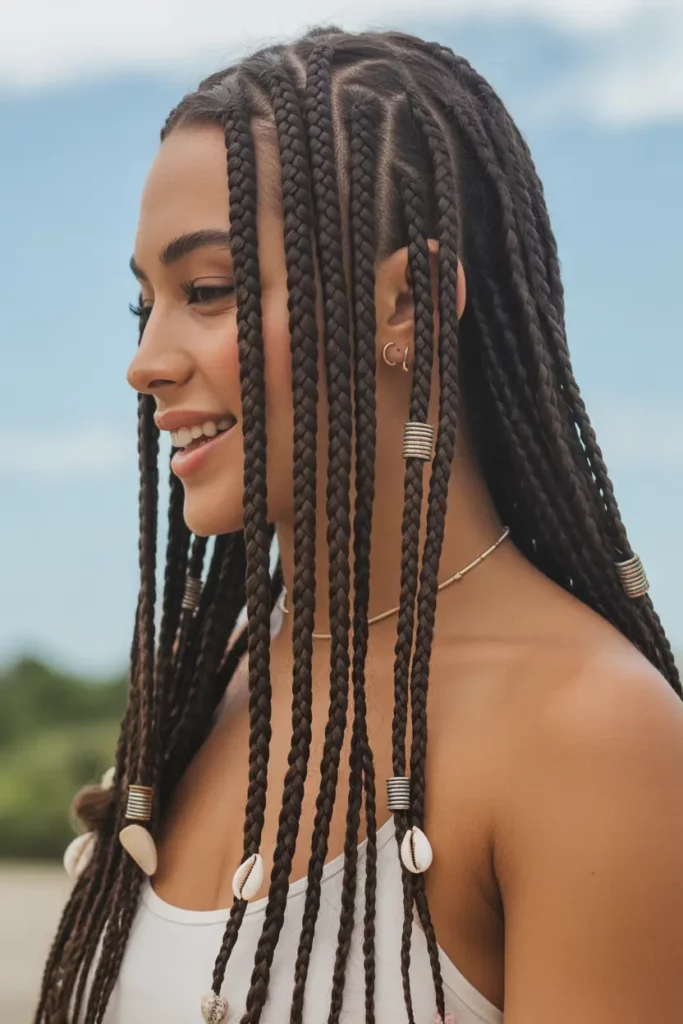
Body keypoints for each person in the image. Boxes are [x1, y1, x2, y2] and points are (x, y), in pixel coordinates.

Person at [36, 25, 683, 1024]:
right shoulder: (214, 695)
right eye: (145, 306)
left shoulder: (591, 736)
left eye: (204, 292)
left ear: (411, 303)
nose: (147, 361)